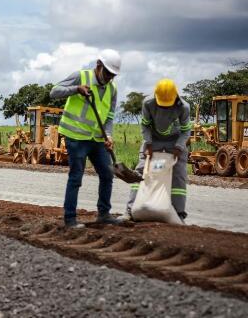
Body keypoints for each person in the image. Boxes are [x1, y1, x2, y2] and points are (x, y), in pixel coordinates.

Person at [50, 49, 122, 228]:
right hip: (75, 137)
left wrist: (109, 135)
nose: (109, 78)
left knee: (107, 174)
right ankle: (70, 219)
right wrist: (76, 89)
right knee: (76, 177)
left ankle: (104, 214)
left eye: (113, 75)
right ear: (98, 66)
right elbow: (54, 92)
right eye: (107, 73)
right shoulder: (80, 76)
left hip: (97, 139)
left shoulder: (112, 89)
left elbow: (109, 116)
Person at [123, 78, 191, 222]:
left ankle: (179, 214)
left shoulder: (184, 107)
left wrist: (179, 147)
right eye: (163, 105)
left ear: (175, 97)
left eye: (168, 105)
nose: (165, 108)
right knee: (141, 171)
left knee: (179, 176)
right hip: (153, 139)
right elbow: (145, 125)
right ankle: (130, 210)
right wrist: (148, 143)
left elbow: (186, 131)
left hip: (175, 142)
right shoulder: (148, 103)